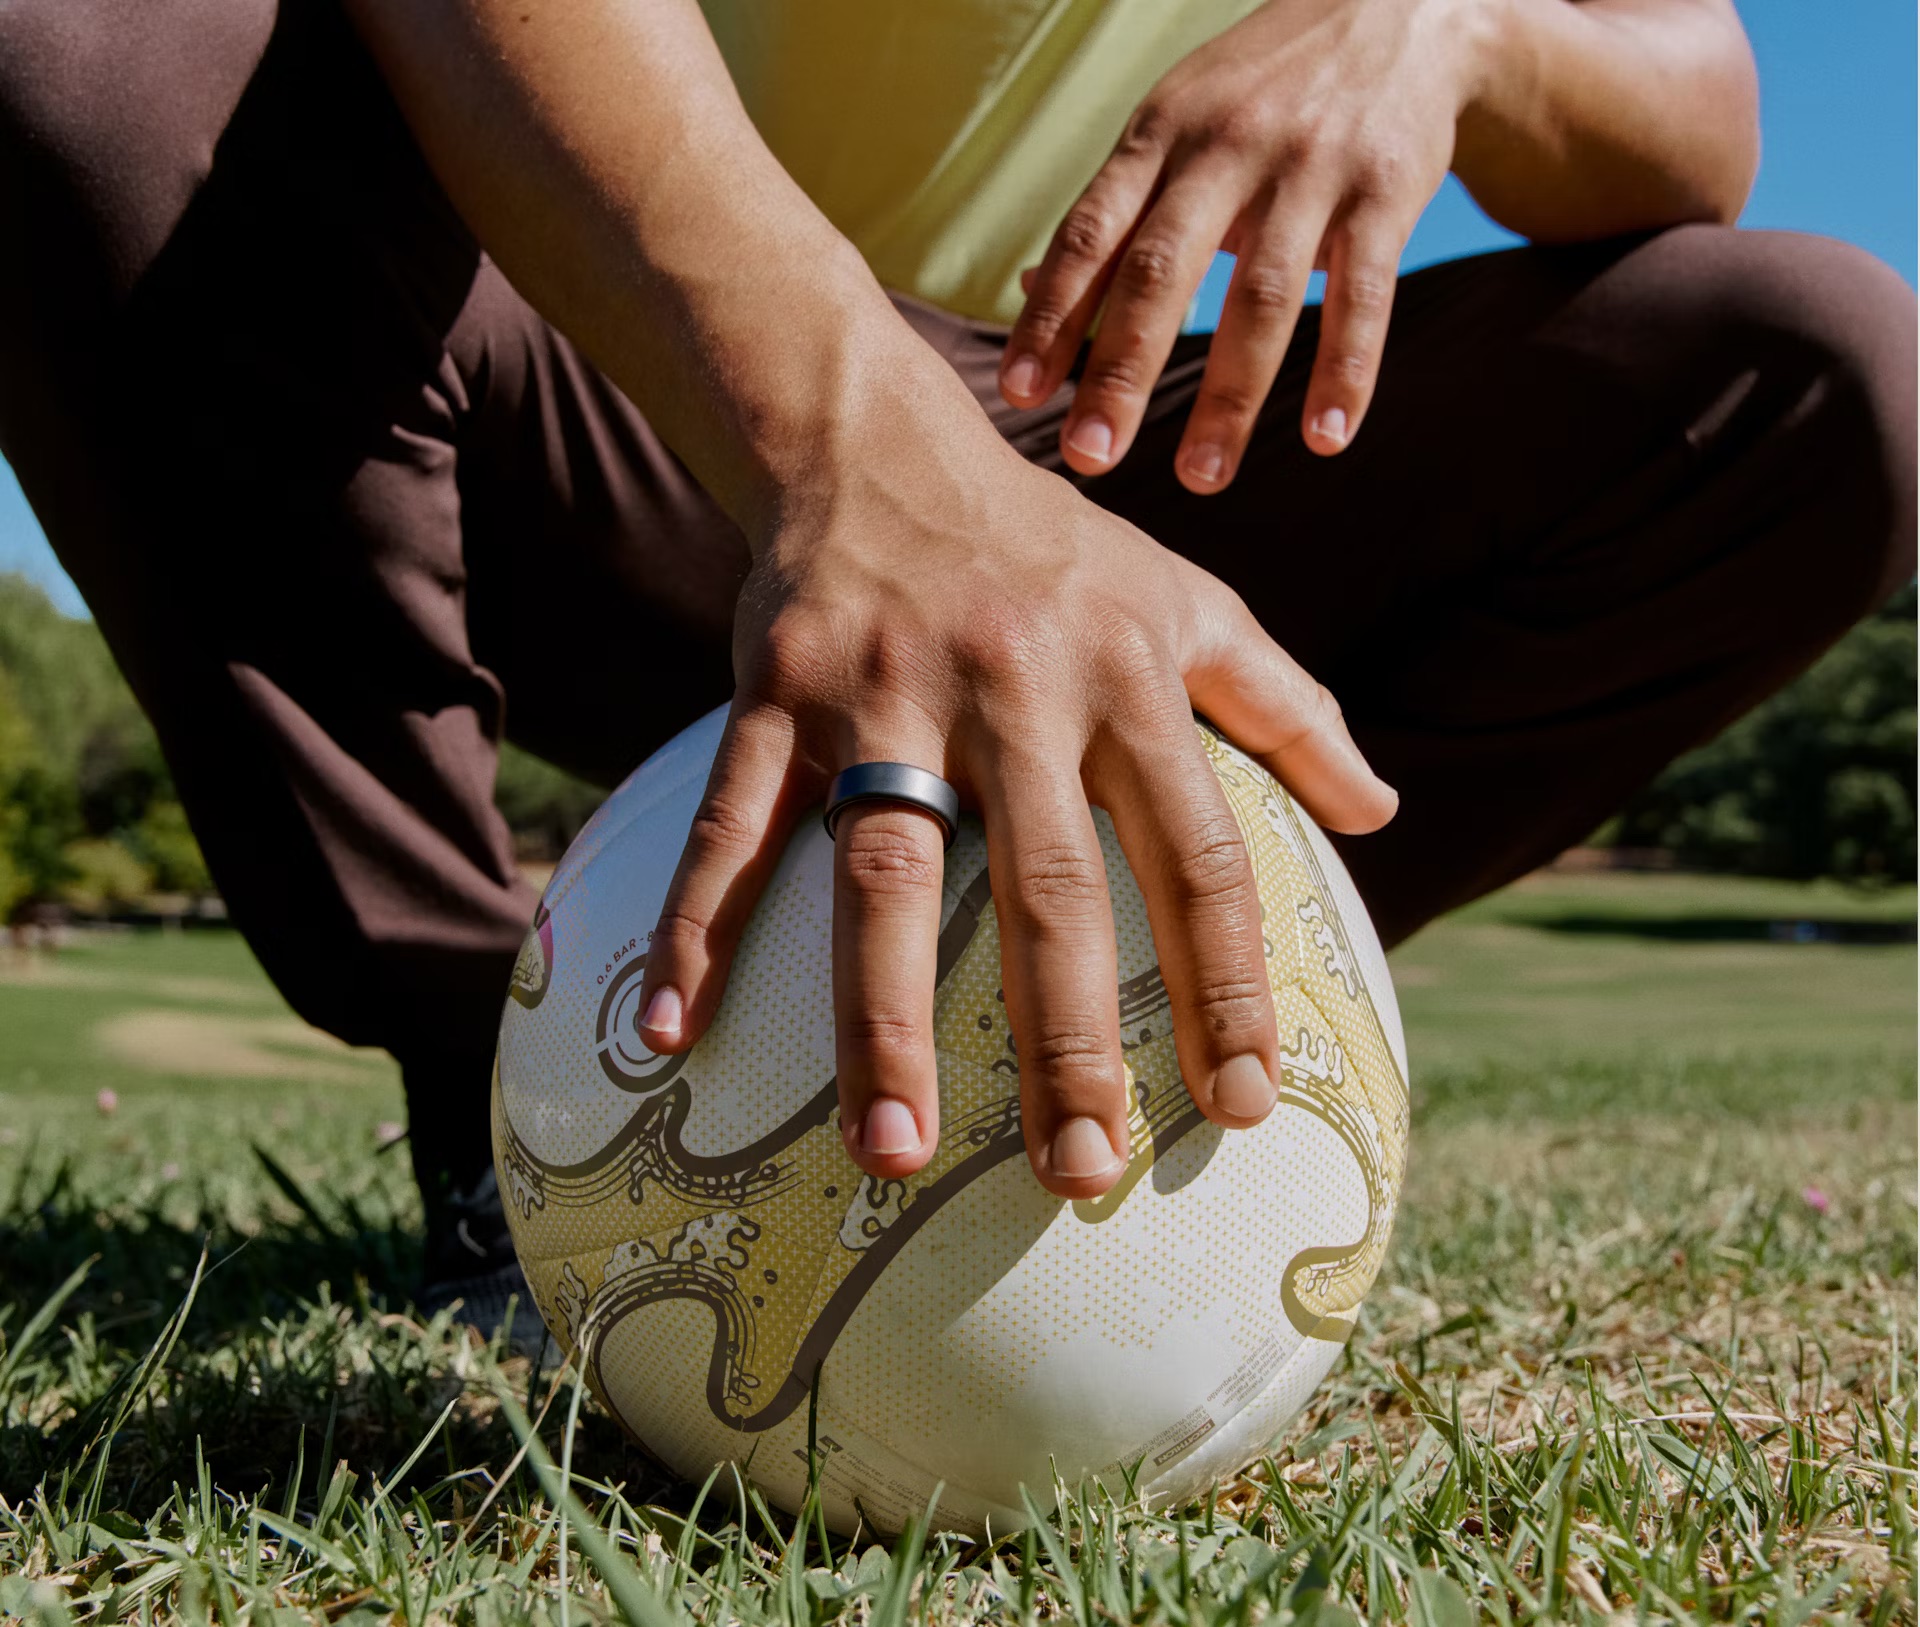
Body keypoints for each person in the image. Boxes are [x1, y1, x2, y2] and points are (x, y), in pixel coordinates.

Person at [0, 0, 1911, 1338]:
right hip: (648, 375)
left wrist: (1455, 28)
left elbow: (1700, 112)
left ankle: (1191, 996)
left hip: (1139, 429)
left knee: (1821, 371)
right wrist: (853, 450)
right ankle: (511, 1097)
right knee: (90, 39)